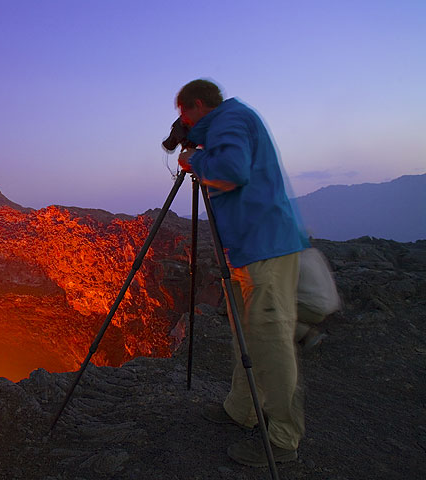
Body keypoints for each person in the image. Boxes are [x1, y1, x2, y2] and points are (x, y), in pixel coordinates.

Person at [175, 79, 309, 467]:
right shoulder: (226, 123)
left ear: (197, 105)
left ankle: (282, 436)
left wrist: (193, 160)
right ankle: (242, 409)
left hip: (265, 248)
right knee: (245, 335)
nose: (182, 122)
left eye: (184, 114)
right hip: (247, 250)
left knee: (270, 340)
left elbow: (232, 171)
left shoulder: (230, 118)